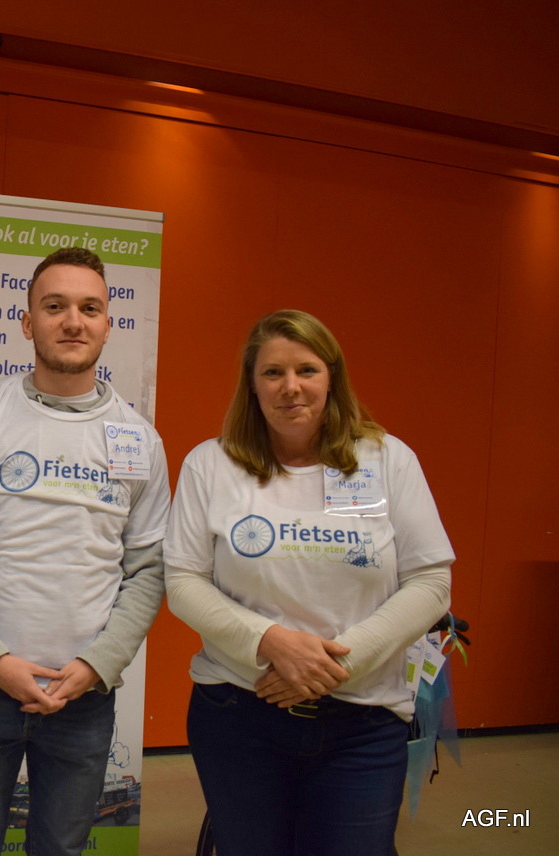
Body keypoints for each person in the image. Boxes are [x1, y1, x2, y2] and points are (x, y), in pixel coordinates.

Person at [165, 309, 454, 856]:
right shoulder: (211, 464)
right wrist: (270, 642)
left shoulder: (387, 460)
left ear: (331, 377)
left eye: (307, 370)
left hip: (364, 720)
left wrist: (333, 665)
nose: (290, 387)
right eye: (273, 372)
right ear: (252, 384)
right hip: (239, 715)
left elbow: (431, 581)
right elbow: (183, 581)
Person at [0, 246, 169, 856]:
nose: (73, 321)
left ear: (108, 324)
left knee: (62, 847)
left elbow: (147, 570)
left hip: (83, 694)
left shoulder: (140, 441)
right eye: (55, 307)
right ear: (28, 322)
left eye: (90, 308)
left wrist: (99, 663)